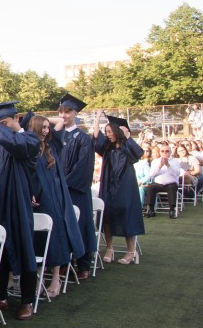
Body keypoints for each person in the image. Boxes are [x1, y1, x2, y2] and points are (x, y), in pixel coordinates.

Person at [0, 101, 38, 321]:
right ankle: (0, 296)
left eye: (5, 123)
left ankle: (27, 301)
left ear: (17, 119)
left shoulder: (29, 140)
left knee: (24, 249)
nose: (0, 129)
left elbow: (15, 143)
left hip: (17, 206)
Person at [27, 115, 85, 298]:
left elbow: (60, 123)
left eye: (46, 127)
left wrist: (60, 117)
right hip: (34, 201)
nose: (46, 130)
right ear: (34, 129)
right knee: (36, 238)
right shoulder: (28, 149)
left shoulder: (51, 148)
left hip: (53, 198)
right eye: (42, 127)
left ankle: (56, 279)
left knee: (56, 235)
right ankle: (37, 277)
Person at [93, 111, 145, 264]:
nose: (107, 134)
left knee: (126, 214)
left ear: (117, 131)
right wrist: (97, 118)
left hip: (125, 186)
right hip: (108, 184)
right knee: (107, 215)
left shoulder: (127, 146)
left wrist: (128, 136)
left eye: (110, 132)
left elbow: (138, 154)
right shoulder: (107, 148)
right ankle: (110, 248)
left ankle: (131, 251)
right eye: (106, 132)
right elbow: (96, 136)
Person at [57, 94, 96, 281]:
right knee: (63, 226)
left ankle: (83, 264)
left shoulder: (83, 138)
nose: (63, 115)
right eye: (61, 112)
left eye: (67, 111)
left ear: (75, 113)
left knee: (81, 225)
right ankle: (64, 262)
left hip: (75, 190)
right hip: (59, 189)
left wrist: (65, 182)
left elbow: (84, 166)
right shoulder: (57, 135)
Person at [145, 142, 182, 219]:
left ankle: (172, 210)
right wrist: (160, 166)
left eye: (167, 151)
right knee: (150, 187)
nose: (165, 153)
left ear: (170, 152)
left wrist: (168, 165)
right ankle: (151, 210)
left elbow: (176, 174)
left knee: (172, 187)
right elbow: (151, 175)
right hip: (158, 183)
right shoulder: (155, 161)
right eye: (162, 151)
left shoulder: (175, 161)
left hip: (170, 183)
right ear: (160, 152)